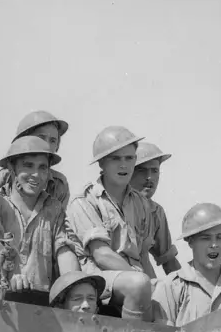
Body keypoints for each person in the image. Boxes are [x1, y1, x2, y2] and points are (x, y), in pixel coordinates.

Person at [64, 126, 156, 321]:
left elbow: (143, 256)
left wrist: (156, 287)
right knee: (139, 284)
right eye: (116, 159)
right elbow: (102, 255)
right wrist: (144, 282)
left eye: (129, 158)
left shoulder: (141, 204)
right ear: (102, 163)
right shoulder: (85, 201)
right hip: (97, 279)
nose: (124, 165)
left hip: (133, 279)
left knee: (168, 293)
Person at [0, 136, 81, 294]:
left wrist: (75, 286)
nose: (36, 174)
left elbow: (64, 251)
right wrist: (11, 275)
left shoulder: (54, 208)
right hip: (0, 298)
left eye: (42, 167)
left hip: (39, 301)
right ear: (11, 167)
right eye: (28, 166)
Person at [153, 202, 221, 327]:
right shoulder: (172, 287)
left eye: (219, 237)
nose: (214, 244)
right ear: (190, 241)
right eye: (206, 238)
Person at [0, 110, 72, 208]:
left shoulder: (58, 185)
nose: (47, 145)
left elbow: (58, 216)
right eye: (41, 138)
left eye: (53, 141)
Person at [130, 141, 181, 276]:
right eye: (141, 170)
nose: (149, 178)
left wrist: (187, 285)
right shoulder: (110, 205)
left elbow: (168, 260)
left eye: (155, 171)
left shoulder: (156, 212)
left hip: (147, 281)